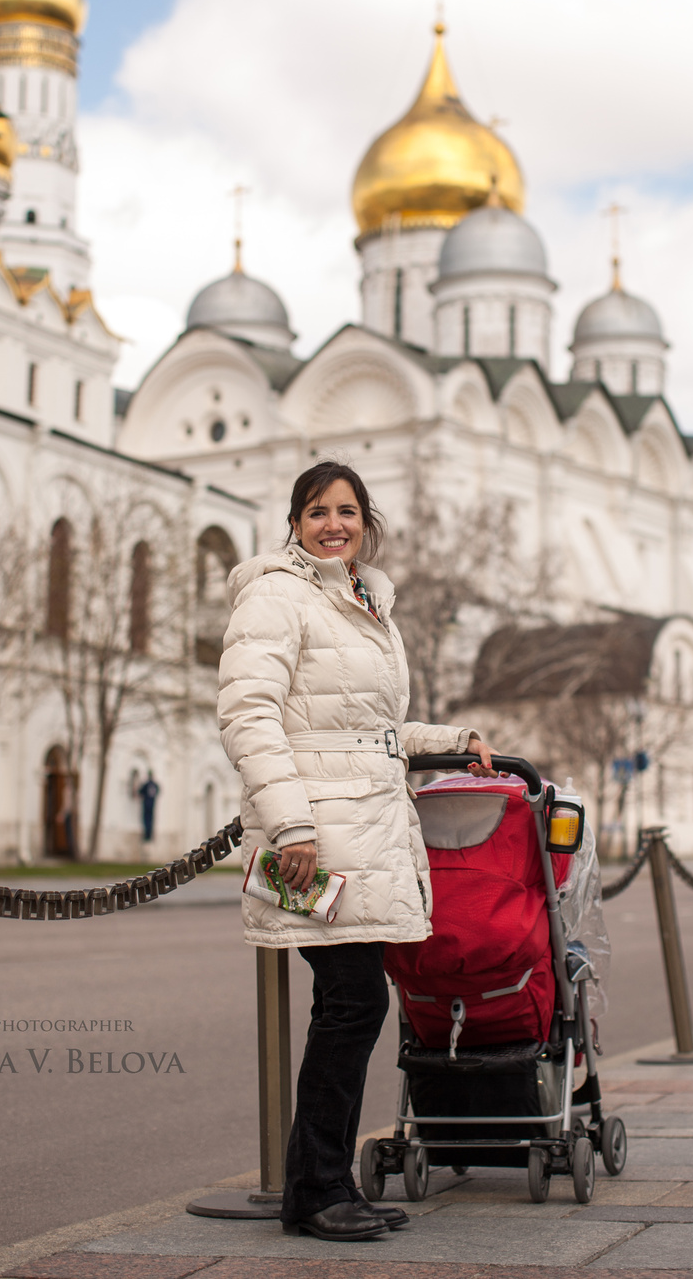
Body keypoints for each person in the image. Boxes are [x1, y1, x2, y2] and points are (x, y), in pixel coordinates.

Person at [217, 462, 494, 1243]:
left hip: (364, 828)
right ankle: (315, 1189)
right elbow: (249, 713)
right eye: (316, 512)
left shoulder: (364, 598)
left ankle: (324, 1183)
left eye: (346, 511)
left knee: (353, 1005)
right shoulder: (278, 593)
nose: (332, 524)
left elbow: (364, 729)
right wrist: (291, 825)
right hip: (315, 837)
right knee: (355, 1002)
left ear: (365, 521)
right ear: (295, 523)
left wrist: (451, 741)